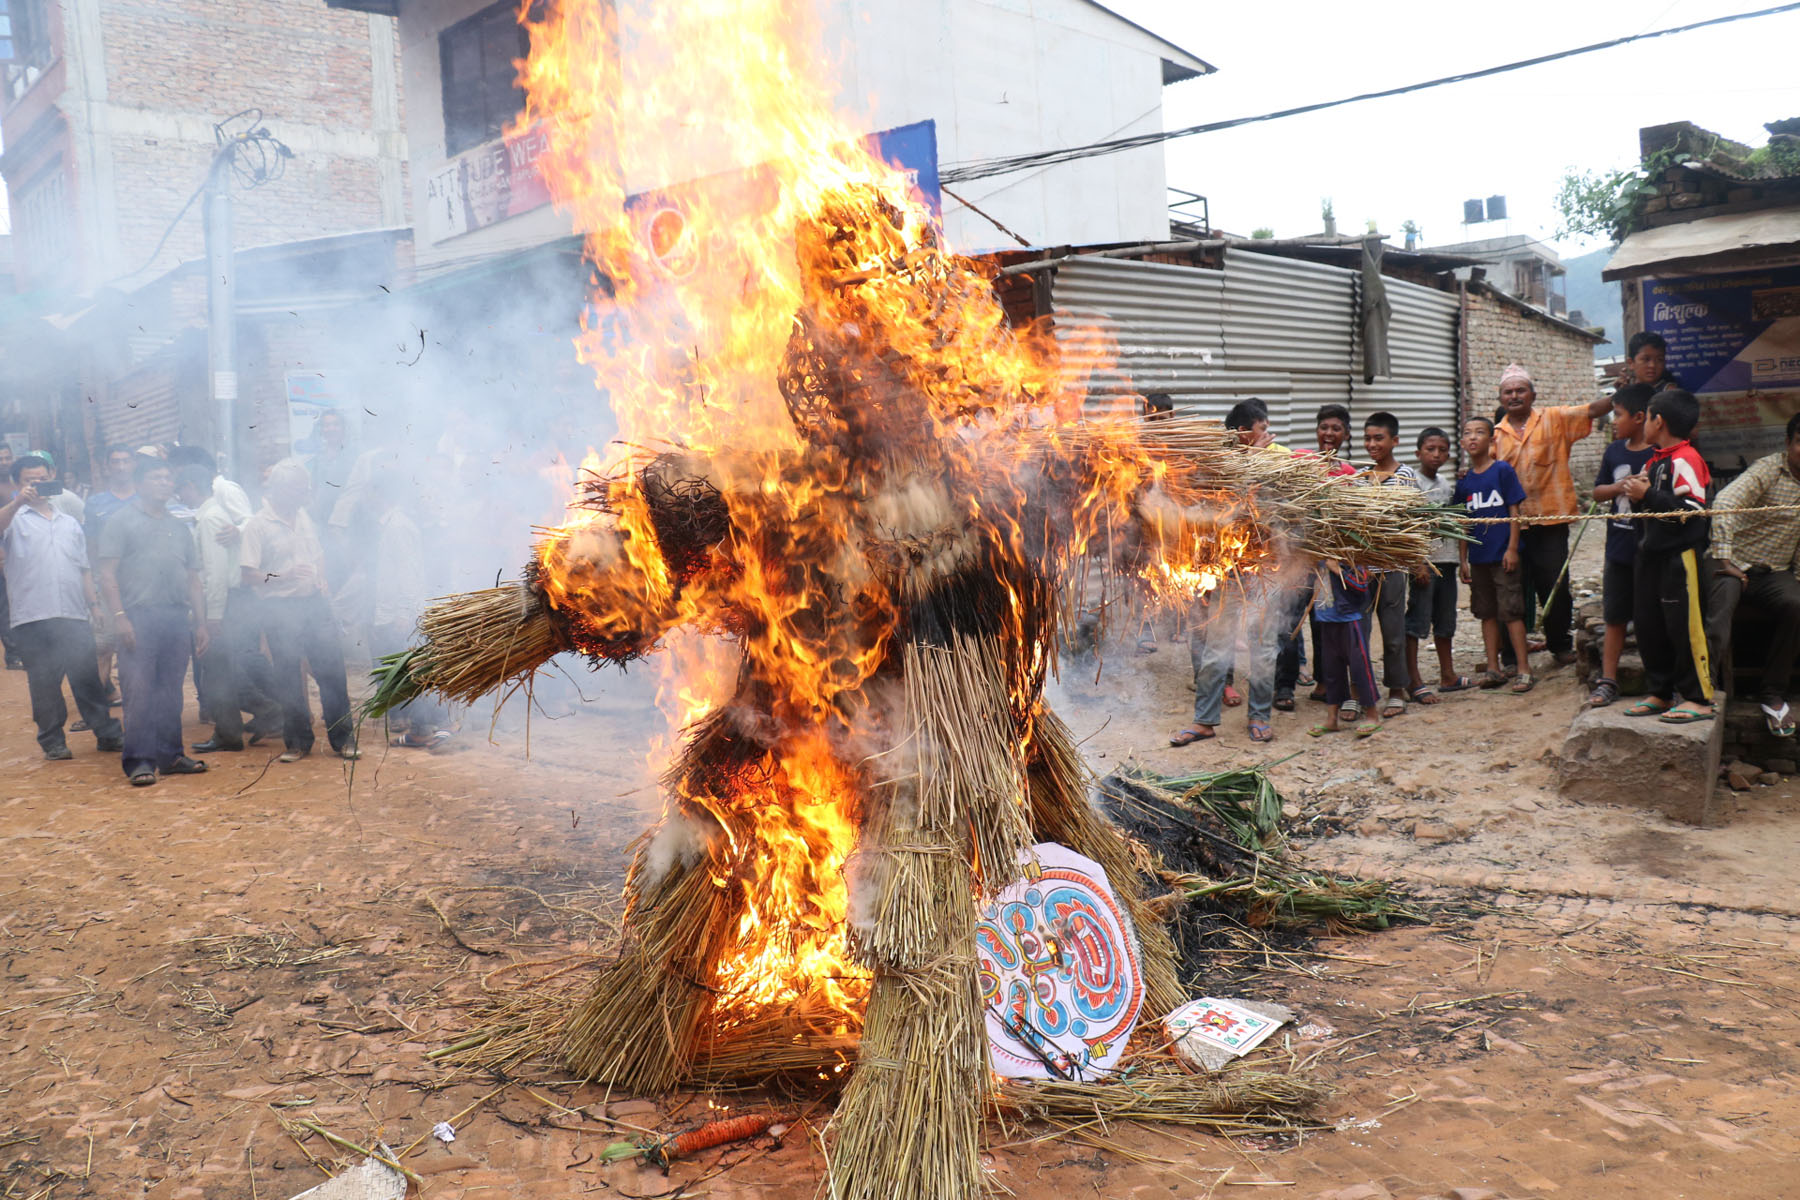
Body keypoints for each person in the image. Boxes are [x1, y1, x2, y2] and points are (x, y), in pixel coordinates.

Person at [1171, 402, 1284, 745]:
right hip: (1228, 571)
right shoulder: (1218, 470)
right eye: (1262, 430)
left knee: (1264, 650)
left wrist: (1261, 462)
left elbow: (1281, 513)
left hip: (1266, 573)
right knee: (1216, 649)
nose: (1268, 436)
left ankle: (1259, 716)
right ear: (1241, 434)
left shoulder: (1278, 463)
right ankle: (1204, 720)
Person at [95, 456, 210, 786]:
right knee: (139, 691)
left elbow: (193, 579)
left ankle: (171, 755)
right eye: (156, 477)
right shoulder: (121, 522)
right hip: (137, 617)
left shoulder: (178, 526)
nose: (164, 483)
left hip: (175, 617)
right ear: (141, 484)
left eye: (167, 478)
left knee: (171, 691)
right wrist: (119, 617)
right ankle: (139, 761)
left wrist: (200, 623)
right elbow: (106, 575)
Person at [1490, 363, 1614, 668]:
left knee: (1554, 585)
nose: (1515, 396)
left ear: (1533, 394)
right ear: (1501, 398)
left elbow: (1591, 410)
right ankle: (1511, 655)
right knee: (1511, 587)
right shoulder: (1494, 434)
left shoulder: (1554, 418)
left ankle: (1559, 645)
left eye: (1521, 390)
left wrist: (1624, 391)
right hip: (1511, 526)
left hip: (1551, 519)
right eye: (1509, 392)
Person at [0, 455, 123, 759]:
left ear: (53, 476)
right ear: (17, 483)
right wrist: (17, 503)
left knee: (86, 677)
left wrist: (93, 606)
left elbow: (83, 568)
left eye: (42, 479)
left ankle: (106, 733)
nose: (37, 485)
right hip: (32, 616)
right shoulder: (14, 520)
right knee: (44, 682)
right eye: (30, 480)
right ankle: (52, 739)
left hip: (73, 613)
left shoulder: (69, 523)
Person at [241, 459, 359, 762]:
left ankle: (343, 740)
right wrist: (285, 576)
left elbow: (317, 553)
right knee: (288, 677)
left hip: (314, 605)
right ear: (279, 489)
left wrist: (322, 580)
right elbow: (248, 575)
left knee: (332, 673)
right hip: (279, 608)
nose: (304, 494)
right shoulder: (257, 525)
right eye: (298, 489)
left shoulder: (303, 515)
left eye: (305, 488)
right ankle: (297, 743)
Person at [1621, 389, 1713, 725]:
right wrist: (1637, 496)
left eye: (1647, 415)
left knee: (1684, 628)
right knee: (1649, 625)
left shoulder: (1686, 459)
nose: (1644, 421)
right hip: (1650, 554)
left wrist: (1649, 494)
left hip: (1679, 557)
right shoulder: (1654, 460)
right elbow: (1650, 506)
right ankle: (1660, 691)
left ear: (1658, 421)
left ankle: (1698, 697)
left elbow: (1692, 512)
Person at [174, 467, 281, 752]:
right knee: (226, 667)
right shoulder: (213, 515)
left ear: (190, 485)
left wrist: (213, 617)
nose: (178, 494)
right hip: (234, 600)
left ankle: (258, 716)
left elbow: (216, 572)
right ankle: (237, 728)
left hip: (225, 602)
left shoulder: (209, 518)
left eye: (179, 488)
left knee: (218, 670)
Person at [1707, 412, 1800, 737]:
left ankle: (1773, 693)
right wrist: (1724, 559)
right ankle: (1705, 691)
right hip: (1732, 562)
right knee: (1720, 611)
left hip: (1774, 570)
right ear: (1788, 443)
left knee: (1796, 605)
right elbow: (1724, 503)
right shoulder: (1768, 470)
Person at [1587, 384, 1656, 707]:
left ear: (1640, 417)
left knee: (1649, 617)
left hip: (1651, 551)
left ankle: (1659, 683)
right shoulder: (1614, 451)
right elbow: (1598, 492)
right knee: (1614, 615)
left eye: (1618, 414)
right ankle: (1608, 679)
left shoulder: (1659, 455)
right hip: (1618, 546)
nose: (1613, 421)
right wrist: (1618, 487)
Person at [369, 475, 449, 749]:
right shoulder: (394, 525)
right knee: (407, 671)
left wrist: (405, 613)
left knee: (410, 671)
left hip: (400, 614)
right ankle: (423, 728)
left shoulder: (397, 527)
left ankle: (428, 728)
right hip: (396, 611)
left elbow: (408, 573)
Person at [1455, 417, 1534, 693]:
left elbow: (1515, 512)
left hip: (1503, 556)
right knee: (1486, 613)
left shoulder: (1502, 471)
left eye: (1480, 432)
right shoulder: (1464, 483)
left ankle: (1523, 669)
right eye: (1468, 433)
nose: (1473, 437)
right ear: (1463, 443)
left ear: (1492, 440)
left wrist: (1513, 548)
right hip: (1478, 559)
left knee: (1511, 611)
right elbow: (1463, 523)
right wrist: (1463, 559)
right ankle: (1493, 668)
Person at [1357, 412, 1418, 719]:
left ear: (1394, 440)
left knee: (1394, 635)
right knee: (1359, 635)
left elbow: (1411, 522)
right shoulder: (1359, 477)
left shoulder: (1406, 476)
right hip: (1362, 571)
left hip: (1391, 569)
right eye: (1367, 438)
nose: (1372, 444)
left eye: (1378, 438)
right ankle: (1361, 694)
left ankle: (1397, 690)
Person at [1405, 426, 1467, 703]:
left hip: (1447, 561)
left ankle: (1448, 674)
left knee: (1446, 620)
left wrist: (1462, 560)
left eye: (1442, 450)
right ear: (1418, 452)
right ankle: (1413, 679)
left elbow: (1457, 524)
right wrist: (1418, 563)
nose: (1436, 454)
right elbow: (1408, 525)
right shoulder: (1412, 483)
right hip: (1425, 564)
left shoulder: (1445, 485)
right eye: (1430, 449)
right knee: (1417, 622)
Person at [85, 444, 139, 700]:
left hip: (142, 587)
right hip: (108, 584)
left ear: (133, 465)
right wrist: (96, 585)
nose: (120, 466)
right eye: (115, 462)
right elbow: (91, 547)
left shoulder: (146, 498)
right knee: (103, 646)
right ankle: (96, 710)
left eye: (125, 461)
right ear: (107, 468)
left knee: (137, 645)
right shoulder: (96, 504)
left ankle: (137, 700)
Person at [1306, 558, 1380, 737]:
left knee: (1359, 667)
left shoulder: (1350, 557)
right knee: (1331, 669)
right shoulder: (1317, 557)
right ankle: (1332, 719)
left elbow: (1362, 586)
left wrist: (1338, 569)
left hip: (1349, 618)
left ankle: (1372, 715)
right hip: (1326, 618)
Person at [1613, 331, 1683, 394]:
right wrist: (1620, 393)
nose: (1652, 365)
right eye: (1646, 359)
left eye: (1659, 360)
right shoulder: (1627, 387)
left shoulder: (1669, 393)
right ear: (1631, 363)